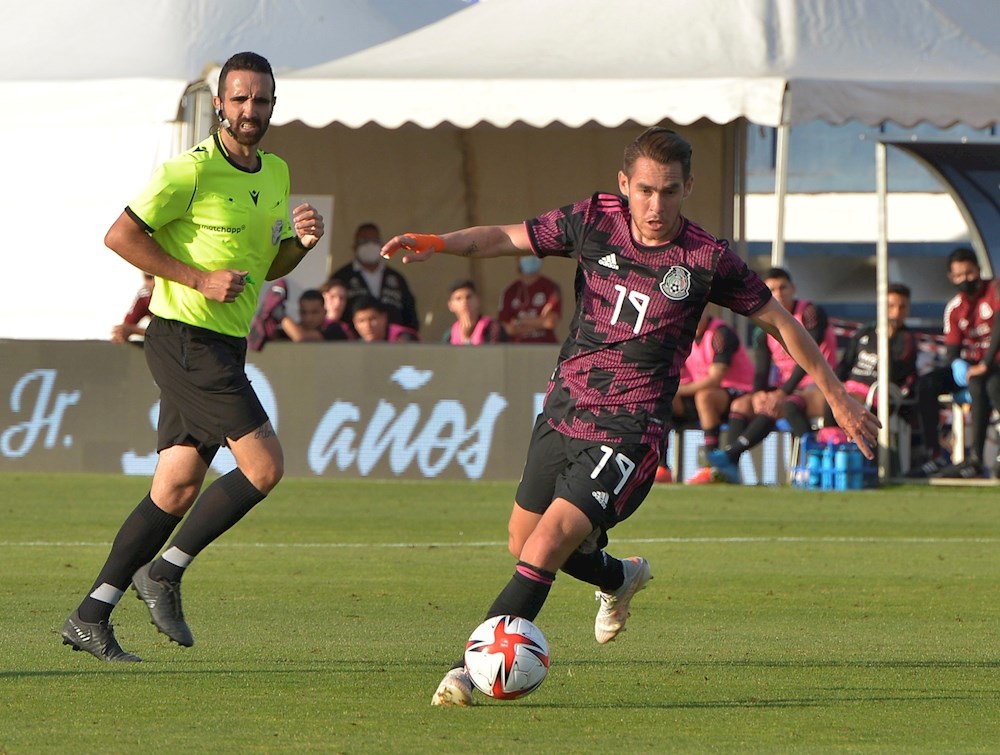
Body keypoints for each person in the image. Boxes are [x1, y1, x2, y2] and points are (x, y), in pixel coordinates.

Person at [381, 127, 879, 707]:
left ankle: (469, 669)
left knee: (544, 546)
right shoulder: (595, 219)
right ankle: (619, 578)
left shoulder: (706, 258)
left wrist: (839, 398)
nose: (656, 205)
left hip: (629, 430)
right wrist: (439, 243)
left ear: (688, 186)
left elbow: (782, 323)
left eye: (669, 191)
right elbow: (505, 236)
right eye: (645, 190)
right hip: (564, 410)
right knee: (522, 540)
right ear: (625, 185)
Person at [61, 51, 325, 662]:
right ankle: (166, 572)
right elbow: (120, 235)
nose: (249, 111)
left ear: (272, 105)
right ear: (219, 105)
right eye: (239, 100)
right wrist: (197, 279)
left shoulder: (277, 173)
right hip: (183, 338)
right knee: (264, 467)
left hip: (225, 345)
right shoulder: (189, 172)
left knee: (176, 487)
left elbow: (268, 265)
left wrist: (302, 245)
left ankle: (90, 613)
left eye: (260, 101)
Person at [705, 267, 839, 484]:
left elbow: (809, 359)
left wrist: (780, 393)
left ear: (793, 288)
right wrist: (758, 393)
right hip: (784, 389)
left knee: (782, 404)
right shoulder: (764, 325)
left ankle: (731, 454)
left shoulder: (810, 313)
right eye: (772, 289)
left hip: (816, 386)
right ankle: (730, 470)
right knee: (742, 405)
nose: (779, 293)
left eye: (783, 287)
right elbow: (762, 368)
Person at [908, 247, 1000, 479]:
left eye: (969, 273)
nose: (965, 280)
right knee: (926, 385)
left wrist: (985, 364)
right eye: (959, 275)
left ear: (978, 270)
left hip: (993, 366)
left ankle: (977, 459)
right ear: (951, 278)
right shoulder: (955, 308)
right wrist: (958, 365)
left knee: (982, 384)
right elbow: (952, 350)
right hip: (974, 368)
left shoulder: (995, 291)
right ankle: (934, 456)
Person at [677, 308, 755, 484]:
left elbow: (715, 379)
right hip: (705, 395)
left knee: (705, 397)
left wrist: (680, 390)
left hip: (738, 392)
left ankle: (711, 464)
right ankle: (659, 467)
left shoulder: (720, 333)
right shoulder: (681, 335)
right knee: (662, 400)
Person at [837, 283, 918, 405]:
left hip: (876, 394)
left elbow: (896, 374)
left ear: (908, 310)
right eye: (891, 306)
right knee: (807, 400)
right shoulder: (865, 331)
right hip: (849, 387)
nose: (896, 313)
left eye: (902, 307)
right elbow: (845, 364)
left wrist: (888, 341)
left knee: (841, 402)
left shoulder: (907, 339)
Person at [331, 222, 419, 332]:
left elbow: (410, 316)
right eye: (364, 241)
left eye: (374, 241)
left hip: (392, 344)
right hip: (352, 344)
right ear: (354, 246)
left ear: (382, 244)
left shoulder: (396, 278)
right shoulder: (342, 277)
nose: (370, 245)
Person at [497, 256, 562, 343]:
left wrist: (519, 321)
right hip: (518, 348)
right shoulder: (509, 291)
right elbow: (506, 328)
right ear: (518, 259)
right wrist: (540, 321)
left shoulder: (551, 287)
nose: (530, 257)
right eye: (526, 254)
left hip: (545, 346)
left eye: (533, 253)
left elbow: (550, 322)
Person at [442, 279, 507, 345]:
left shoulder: (492, 327)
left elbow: (492, 354)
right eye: (458, 298)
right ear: (451, 305)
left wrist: (466, 339)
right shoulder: (449, 335)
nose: (465, 302)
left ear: (477, 300)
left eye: (468, 297)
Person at [351, 295, 420, 343]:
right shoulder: (355, 347)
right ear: (354, 323)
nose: (368, 326)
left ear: (384, 318)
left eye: (372, 319)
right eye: (361, 321)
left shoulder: (404, 338)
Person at [111, 272, 155, 344]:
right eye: (149, 277)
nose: (154, 283)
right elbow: (127, 325)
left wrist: (134, 330)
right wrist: (122, 332)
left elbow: (173, 334)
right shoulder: (144, 295)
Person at [320, 276, 354, 340]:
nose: (338, 303)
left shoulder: (347, 329)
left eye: (342, 298)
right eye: (332, 297)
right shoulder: (314, 326)